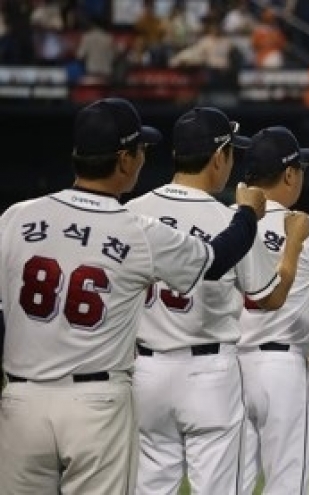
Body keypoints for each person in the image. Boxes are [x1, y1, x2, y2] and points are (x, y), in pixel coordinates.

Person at [0, 97, 267, 495]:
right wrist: (246, 214)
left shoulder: (16, 216)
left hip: (20, 402)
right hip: (97, 403)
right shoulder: (135, 229)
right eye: (141, 150)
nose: (143, 159)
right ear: (124, 159)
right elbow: (214, 260)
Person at [125, 107, 309, 495]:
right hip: (208, 374)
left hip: (145, 372)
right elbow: (269, 297)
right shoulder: (231, 219)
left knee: (149, 487)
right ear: (218, 157)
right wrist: (292, 245)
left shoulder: (132, 213)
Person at [237, 126, 309, 495]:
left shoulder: (222, 224)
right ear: (290, 174)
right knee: (287, 486)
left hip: (228, 369)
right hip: (284, 370)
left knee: (230, 486)